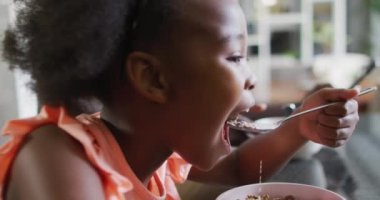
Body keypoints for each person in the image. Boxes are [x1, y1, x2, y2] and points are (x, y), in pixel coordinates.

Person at [0, 0, 360, 199]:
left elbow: (236, 170)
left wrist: (300, 126)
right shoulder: (56, 155)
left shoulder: (155, 152)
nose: (251, 77)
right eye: (235, 57)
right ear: (154, 79)